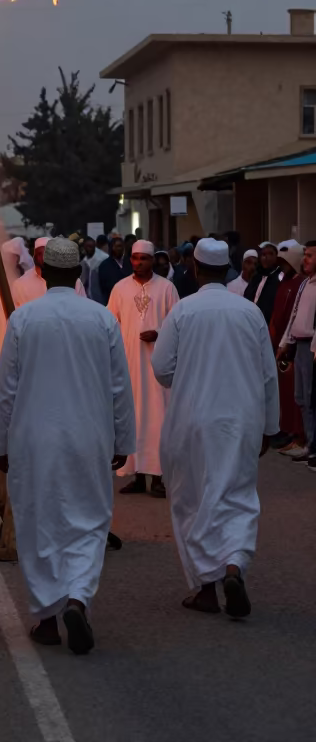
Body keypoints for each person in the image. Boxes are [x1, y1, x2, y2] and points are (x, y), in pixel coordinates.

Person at [0, 237, 136, 655]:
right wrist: (123, 440)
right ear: (78, 274)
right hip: (89, 437)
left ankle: (47, 618)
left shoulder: (25, 319)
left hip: (34, 439)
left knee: (39, 522)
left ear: (45, 271)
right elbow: (119, 386)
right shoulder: (101, 319)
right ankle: (78, 597)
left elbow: (6, 389)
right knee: (87, 520)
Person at [152, 238, 280, 617]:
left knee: (192, 497)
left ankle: (206, 587)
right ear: (228, 269)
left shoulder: (183, 311)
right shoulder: (249, 312)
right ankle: (233, 566)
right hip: (241, 420)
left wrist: (189, 376)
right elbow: (267, 375)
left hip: (192, 418)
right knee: (237, 494)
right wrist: (268, 429)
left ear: (194, 267)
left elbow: (161, 369)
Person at [107, 240, 178, 496]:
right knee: (132, 418)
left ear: (153, 260)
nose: (138, 263)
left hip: (156, 367)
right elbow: (110, 324)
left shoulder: (167, 288)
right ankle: (136, 475)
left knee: (157, 419)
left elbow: (176, 325)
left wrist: (159, 334)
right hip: (129, 365)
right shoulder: (120, 288)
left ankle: (157, 477)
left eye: (143, 259)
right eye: (134, 258)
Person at [277, 240, 316, 463]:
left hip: (312, 347)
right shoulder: (304, 284)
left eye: (310, 255)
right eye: (305, 255)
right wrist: (285, 343)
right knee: (301, 397)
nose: (305, 260)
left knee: (312, 398)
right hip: (299, 346)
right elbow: (294, 316)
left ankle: (313, 445)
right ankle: (309, 443)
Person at [268, 244, 307, 456]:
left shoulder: (301, 284)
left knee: (296, 394)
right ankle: (286, 430)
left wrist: (286, 343)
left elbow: (294, 317)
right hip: (279, 343)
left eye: (285, 262)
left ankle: (298, 433)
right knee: (283, 392)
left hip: (291, 345)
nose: (282, 267)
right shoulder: (285, 282)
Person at [12, 236, 86, 307]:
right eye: (41, 254)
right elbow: (18, 314)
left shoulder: (72, 281)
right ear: (35, 257)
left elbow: (83, 307)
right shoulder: (21, 285)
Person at [244, 242, 283, 322]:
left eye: (270, 254)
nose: (266, 257)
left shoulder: (280, 277)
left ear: (277, 256)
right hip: (251, 320)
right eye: (263, 254)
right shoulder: (256, 277)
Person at [98, 235, 132, 303]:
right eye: (116, 246)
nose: (119, 249)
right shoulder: (104, 265)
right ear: (111, 248)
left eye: (121, 246)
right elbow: (103, 287)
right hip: (112, 301)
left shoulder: (130, 262)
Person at [81, 236, 108, 305]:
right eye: (88, 246)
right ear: (84, 247)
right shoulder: (84, 261)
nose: (90, 249)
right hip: (87, 299)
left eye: (92, 246)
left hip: (100, 299)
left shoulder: (103, 258)